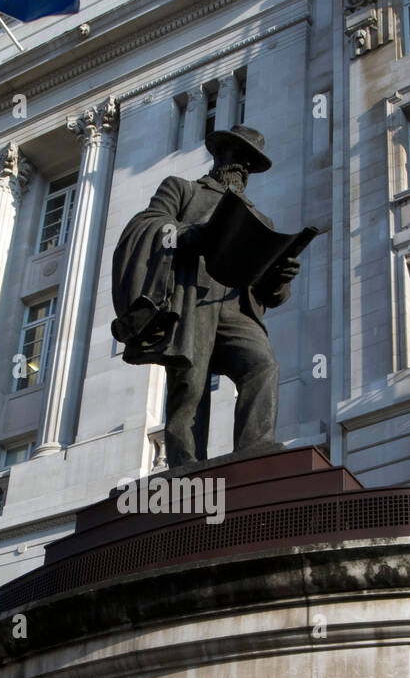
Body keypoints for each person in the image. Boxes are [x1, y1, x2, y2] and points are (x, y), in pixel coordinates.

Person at [111, 124, 301, 469]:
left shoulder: (259, 217)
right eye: (237, 155)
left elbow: (272, 294)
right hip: (191, 300)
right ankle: (184, 465)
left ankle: (253, 452)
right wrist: (191, 234)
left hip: (235, 309)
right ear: (219, 155)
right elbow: (149, 225)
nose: (242, 166)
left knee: (262, 365)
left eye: (250, 162)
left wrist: (279, 278)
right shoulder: (183, 190)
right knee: (190, 386)